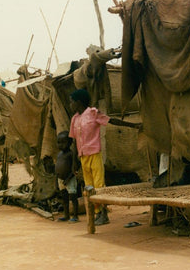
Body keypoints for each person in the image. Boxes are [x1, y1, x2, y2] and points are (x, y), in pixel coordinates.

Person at [68, 88, 139, 225]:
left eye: (72, 102)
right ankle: (97, 213)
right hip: (83, 156)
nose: (70, 105)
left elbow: (111, 121)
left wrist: (133, 125)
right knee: (88, 186)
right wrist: (74, 162)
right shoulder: (74, 119)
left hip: (94, 153)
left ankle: (104, 214)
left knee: (99, 185)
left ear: (79, 102)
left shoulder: (93, 113)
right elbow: (74, 141)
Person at [54, 131, 79, 222]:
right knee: (64, 199)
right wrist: (56, 181)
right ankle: (66, 215)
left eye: (63, 142)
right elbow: (56, 168)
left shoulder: (71, 154)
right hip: (60, 180)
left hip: (70, 179)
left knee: (73, 197)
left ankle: (75, 216)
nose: (60, 145)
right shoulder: (59, 154)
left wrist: (68, 179)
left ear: (70, 143)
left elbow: (75, 168)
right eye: (58, 142)